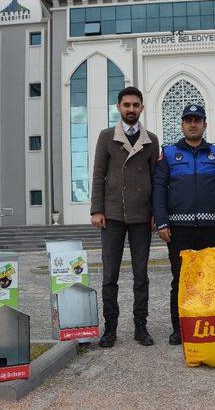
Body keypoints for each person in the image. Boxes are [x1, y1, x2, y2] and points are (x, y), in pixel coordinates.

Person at [153, 104, 215, 345]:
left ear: (204, 124)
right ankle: (180, 328)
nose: (192, 124)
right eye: (188, 120)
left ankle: (207, 324)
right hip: (178, 231)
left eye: (197, 120)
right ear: (182, 125)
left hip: (210, 229)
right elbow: (159, 188)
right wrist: (161, 222)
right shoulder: (168, 154)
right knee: (180, 280)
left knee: (209, 280)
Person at [90, 86, 159, 348]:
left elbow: (156, 179)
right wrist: (97, 209)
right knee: (110, 275)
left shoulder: (151, 139)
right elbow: (98, 174)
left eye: (135, 105)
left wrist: (156, 214)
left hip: (142, 216)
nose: (131, 109)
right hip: (113, 215)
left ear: (142, 108)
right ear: (118, 107)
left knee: (141, 274)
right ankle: (111, 328)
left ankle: (141, 327)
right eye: (126, 105)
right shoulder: (107, 136)